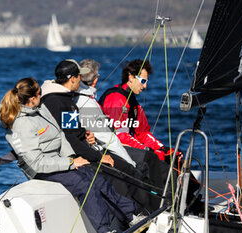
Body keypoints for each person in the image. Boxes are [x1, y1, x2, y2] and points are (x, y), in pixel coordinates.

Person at [0, 77, 140, 233]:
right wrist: (70, 164)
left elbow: (60, 135)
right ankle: (104, 230)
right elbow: (37, 163)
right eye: (40, 93)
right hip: (42, 170)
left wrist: (72, 158)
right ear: (32, 98)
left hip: (60, 160)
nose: (42, 96)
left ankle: (130, 215)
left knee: (96, 177)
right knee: (84, 185)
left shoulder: (40, 108)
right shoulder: (21, 124)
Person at [41, 59, 174, 213]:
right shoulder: (67, 102)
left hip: (81, 150)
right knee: (129, 171)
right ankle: (150, 211)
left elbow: (72, 132)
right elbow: (74, 137)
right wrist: (98, 156)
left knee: (132, 168)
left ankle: (153, 208)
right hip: (74, 157)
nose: (80, 80)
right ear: (73, 79)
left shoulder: (63, 98)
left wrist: (86, 135)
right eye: (78, 76)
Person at [98, 59, 177, 162]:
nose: (145, 86)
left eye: (146, 82)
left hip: (123, 147)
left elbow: (143, 133)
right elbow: (121, 135)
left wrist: (162, 149)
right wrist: (149, 150)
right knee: (153, 159)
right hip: (109, 151)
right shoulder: (116, 99)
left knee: (173, 158)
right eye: (143, 81)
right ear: (131, 77)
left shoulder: (134, 104)